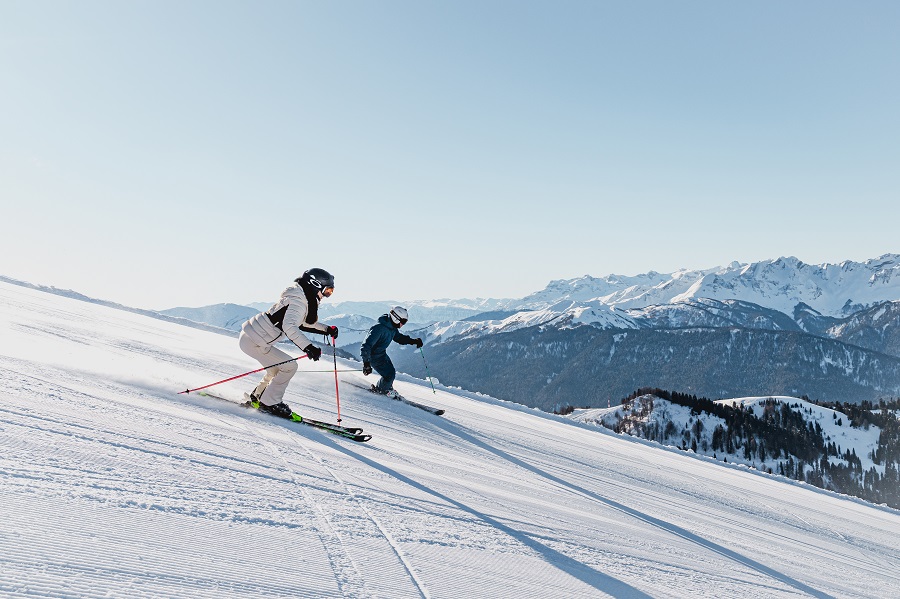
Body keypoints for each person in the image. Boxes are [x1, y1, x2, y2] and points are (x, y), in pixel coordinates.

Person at [238, 268, 339, 418]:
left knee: (276, 369)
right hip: (255, 341)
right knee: (289, 366)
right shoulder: (299, 301)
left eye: (330, 292)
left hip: (252, 337)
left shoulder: (299, 296)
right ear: (315, 285)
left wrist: (326, 329)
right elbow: (290, 326)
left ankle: (258, 396)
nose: (326, 295)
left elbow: (301, 322)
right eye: (327, 291)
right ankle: (270, 403)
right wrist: (308, 347)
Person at [360, 306, 423, 398]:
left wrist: (413, 341)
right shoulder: (378, 329)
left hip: (381, 354)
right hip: (373, 357)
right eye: (403, 321)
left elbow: (399, 338)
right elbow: (366, 346)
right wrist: (366, 363)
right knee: (389, 375)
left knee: (391, 373)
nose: (403, 324)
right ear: (396, 318)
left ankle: (386, 388)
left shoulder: (392, 328)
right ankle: (381, 391)